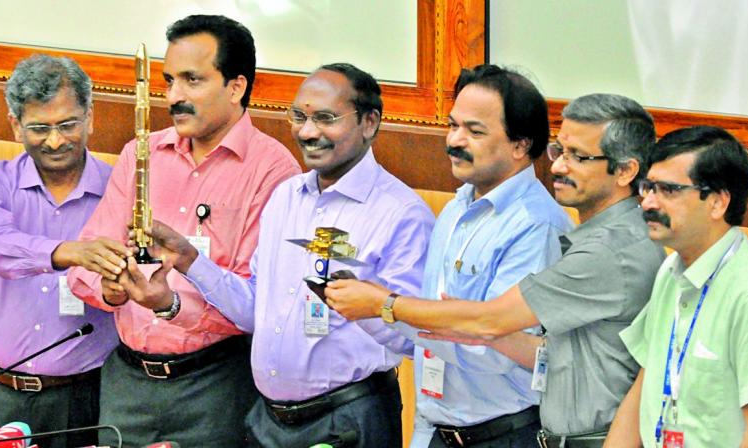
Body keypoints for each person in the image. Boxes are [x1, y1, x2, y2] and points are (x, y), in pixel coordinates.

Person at [326, 93, 666, 447]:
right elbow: (561, 355)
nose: (559, 167)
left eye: (578, 157)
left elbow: (491, 318)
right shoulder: (601, 236)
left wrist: (387, 304)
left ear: (626, 170)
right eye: (559, 151)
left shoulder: (608, 250)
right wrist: (479, 333)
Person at [141, 62, 435, 447]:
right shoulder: (286, 197)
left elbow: (417, 338)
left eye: (326, 119)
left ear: (369, 123)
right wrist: (190, 262)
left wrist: (371, 306)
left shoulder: (402, 214)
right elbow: (253, 311)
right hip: (268, 420)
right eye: (299, 117)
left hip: (348, 420)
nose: (308, 132)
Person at [67, 15, 300, 447]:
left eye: (192, 80)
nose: (174, 96)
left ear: (236, 87)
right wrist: (112, 288)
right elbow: (83, 263)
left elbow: (258, 301)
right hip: (128, 384)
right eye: (169, 80)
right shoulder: (141, 152)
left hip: (216, 386)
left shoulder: (273, 170)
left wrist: (171, 304)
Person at [371, 64, 574, 447]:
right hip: (436, 428)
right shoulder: (455, 208)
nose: (454, 140)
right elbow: (433, 334)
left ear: (520, 145)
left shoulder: (536, 225)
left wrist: (387, 307)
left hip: (502, 433)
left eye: (474, 131)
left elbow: (498, 351)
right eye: (453, 125)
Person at [0, 55, 126, 447]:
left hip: (88, 399)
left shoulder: (121, 192)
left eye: (68, 124)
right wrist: (69, 252)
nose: (55, 141)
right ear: (15, 124)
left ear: (90, 117)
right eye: (39, 128)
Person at [606, 126, 748, 447]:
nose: (649, 203)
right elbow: (645, 380)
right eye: (648, 187)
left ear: (717, 202)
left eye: (668, 190)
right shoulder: (671, 270)